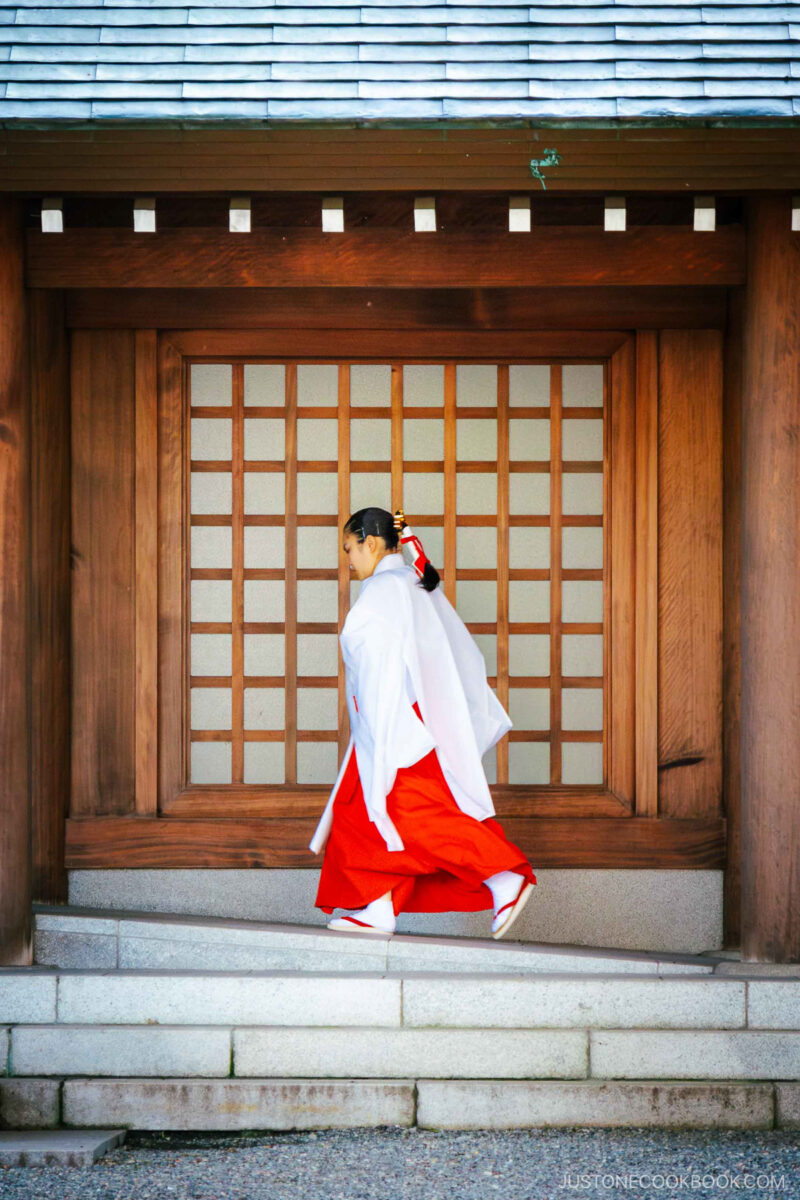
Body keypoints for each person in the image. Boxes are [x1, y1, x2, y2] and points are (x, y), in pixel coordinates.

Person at [309, 505, 537, 939]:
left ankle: (503, 875)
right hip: (413, 719)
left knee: (413, 817)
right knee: (359, 817)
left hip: (394, 725)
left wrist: (377, 737)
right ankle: (377, 905)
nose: (349, 560)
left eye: (350, 549)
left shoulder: (381, 593)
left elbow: (379, 672)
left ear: (370, 543)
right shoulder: (412, 582)